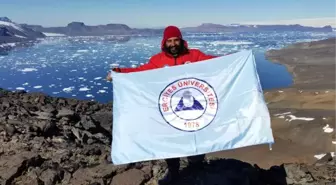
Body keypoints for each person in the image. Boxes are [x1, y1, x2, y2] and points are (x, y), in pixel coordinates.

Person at [106, 25, 218, 184]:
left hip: (193, 109)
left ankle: (196, 168)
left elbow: (216, 63)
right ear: (164, 42)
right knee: (169, 141)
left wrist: (238, 59)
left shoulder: (195, 56)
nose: (173, 44)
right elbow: (141, 71)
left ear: (181, 40)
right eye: (169, 41)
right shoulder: (158, 60)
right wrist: (120, 72)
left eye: (176, 40)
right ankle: (173, 171)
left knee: (196, 140)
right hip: (169, 110)